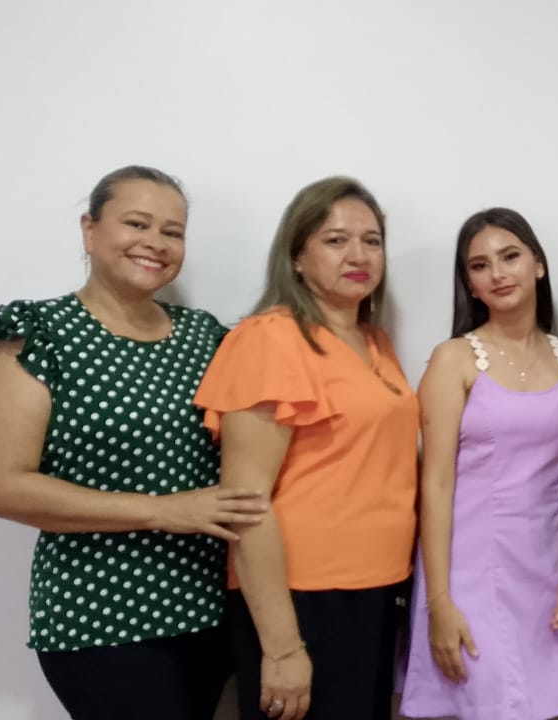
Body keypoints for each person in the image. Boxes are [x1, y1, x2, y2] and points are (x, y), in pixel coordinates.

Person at [0, 166, 260, 720]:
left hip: (208, 610)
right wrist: (162, 511)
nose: (155, 242)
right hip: (101, 617)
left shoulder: (204, 335)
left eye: (172, 231)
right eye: (137, 223)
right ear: (90, 230)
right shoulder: (40, 334)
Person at [194, 176, 419, 720]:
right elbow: (246, 503)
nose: (358, 255)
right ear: (296, 257)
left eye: (371, 240)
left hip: (377, 587)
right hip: (303, 596)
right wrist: (282, 648)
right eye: (335, 240)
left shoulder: (374, 341)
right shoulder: (269, 338)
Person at [399, 208, 558, 720]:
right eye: (480, 265)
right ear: (469, 283)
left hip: (547, 567)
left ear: (538, 265)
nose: (498, 274)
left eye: (510, 257)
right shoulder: (453, 359)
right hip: (468, 571)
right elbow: (436, 484)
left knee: (540, 707)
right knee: (487, 702)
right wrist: (439, 601)